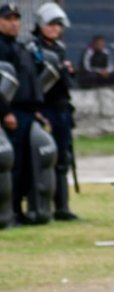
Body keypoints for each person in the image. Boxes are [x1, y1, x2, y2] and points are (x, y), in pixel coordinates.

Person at [0, 2, 46, 226]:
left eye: (16, 18)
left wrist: (36, 111)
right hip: (11, 113)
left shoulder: (20, 46)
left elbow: (30, 79)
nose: (13, 23)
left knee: (26, 165)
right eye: (7, 19)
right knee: (12, 165)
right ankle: (9, 212)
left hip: (27, 112)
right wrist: (5, 112)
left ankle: (19, 209)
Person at [31, 1, 77, 221]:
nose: (55, 29)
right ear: (41, 24)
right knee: (44, 157)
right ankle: (41, 206)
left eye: (58, 25)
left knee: (63, 158)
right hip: (45, 109)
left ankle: (62, 205)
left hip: (61, 110)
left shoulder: (59, 48)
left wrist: (69, 71)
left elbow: (65, 83)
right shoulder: (34, 48)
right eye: (51, 24)